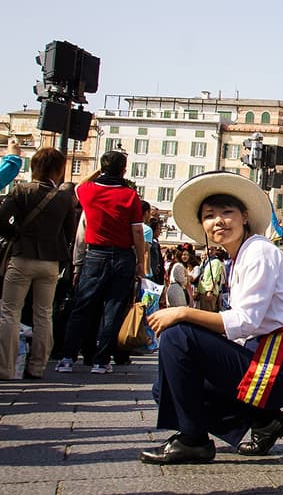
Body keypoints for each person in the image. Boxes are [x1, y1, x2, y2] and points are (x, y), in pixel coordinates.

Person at [139, 171, 283, 464]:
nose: (218, 221)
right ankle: (263, 419)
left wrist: (182, 312)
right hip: (258, 359)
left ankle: (193, 440)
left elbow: (246, 321)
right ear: (203, 226)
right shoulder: (239, 257)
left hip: (278, 365)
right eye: (209, 216)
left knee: (178, 336)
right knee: (166, 388)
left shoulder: (258, 252)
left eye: (226, 212)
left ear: (244, 216)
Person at [56, 150, 146, 375]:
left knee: (83, 307)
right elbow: (137, 232)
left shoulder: (88, 190)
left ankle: (67, 357)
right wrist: (140, 262)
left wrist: (101, 171)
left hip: (95, 254)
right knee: (113, 309)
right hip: (123, 255)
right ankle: (101, 361)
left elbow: (78, 185)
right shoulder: (130, 195)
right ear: (124, 170)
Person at [0, 148, 76, 379]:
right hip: (50, 261)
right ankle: (37, 367)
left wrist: (15, 233)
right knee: (43, 314)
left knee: (10, 312)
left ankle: (6, 368)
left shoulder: (21, 190)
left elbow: (1, 218)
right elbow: (69, 232)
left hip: (22, 256)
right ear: (58, 169)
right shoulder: (64, 198)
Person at [196, 245, 226, 312]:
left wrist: (210, 291)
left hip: (209, 291)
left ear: (215, 251)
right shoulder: (205, 261)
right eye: (208, 249)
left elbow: (214, 277)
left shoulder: (215, 261)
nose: (210, 251)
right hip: (202, 290)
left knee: (208, 313)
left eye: (212, 249)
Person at [165, 243, 192, 308]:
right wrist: (187, 278)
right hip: (176, 290)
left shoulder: (179, 265)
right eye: (183, 255)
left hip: (176, 289)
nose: (186, 257)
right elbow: (182, 280)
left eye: (187, 255)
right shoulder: (179, 265)